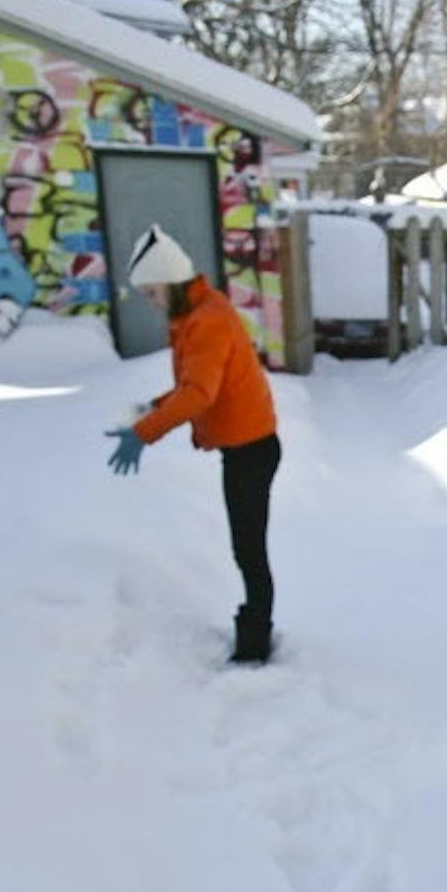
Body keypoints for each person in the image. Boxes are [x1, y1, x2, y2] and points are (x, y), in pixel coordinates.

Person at [104, 225, 281, 665]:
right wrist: (151, 407)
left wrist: (144, 434)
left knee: (249, 549)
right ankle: (255, 628)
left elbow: (200, 395)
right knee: (247, 547)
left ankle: (255, 644)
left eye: (152, 292)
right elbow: (194, 387)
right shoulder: (199, 313)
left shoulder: (208, 321)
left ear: (170, 282)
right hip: (244, 447)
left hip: (251, 450)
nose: (151, 302)